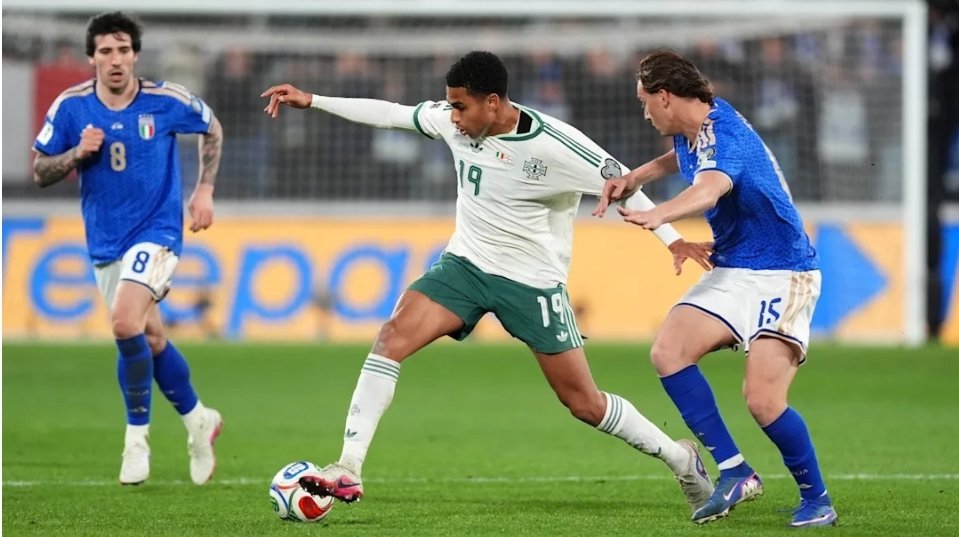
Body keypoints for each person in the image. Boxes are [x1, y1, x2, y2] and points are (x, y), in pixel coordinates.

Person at [260, 50, 716, 514]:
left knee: (583, 402)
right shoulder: (453, 121)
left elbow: (625, 184)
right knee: (391, 338)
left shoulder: (556, 145)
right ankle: (349, 466)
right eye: (451, 106)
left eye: (461, 107)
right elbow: (392, 114)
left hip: (531, 282)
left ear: (493, 102)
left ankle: (680, 458)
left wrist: (674, 239)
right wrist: (313, 100)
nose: (453, 117)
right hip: (466, 265)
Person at [594, 49, 837, 528]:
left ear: (665, 96)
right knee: (669, 351)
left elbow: (709, 188)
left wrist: (659, 214)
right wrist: (635, 177)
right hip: (733, 267)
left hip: (783, 271)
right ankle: (735, 471)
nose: (644, 112)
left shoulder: (725, 136)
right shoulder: (695, 127)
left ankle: (818, 499)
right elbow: (682, 157)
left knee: (763, 400)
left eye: (645, 101)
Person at [32, 11, 224, 486]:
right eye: (105, 51)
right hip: (105, 242)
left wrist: (204, 190)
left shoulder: (165, 100)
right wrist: (77, 153)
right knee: (149, 338)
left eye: (123, 50)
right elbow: (39, 170)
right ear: (92, 58)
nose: (115, 59)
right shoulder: (72, 108)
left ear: (135, 55)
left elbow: (212, 127)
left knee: (122, 323)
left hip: (158, 233)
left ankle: (136, 441)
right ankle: (199, 419)